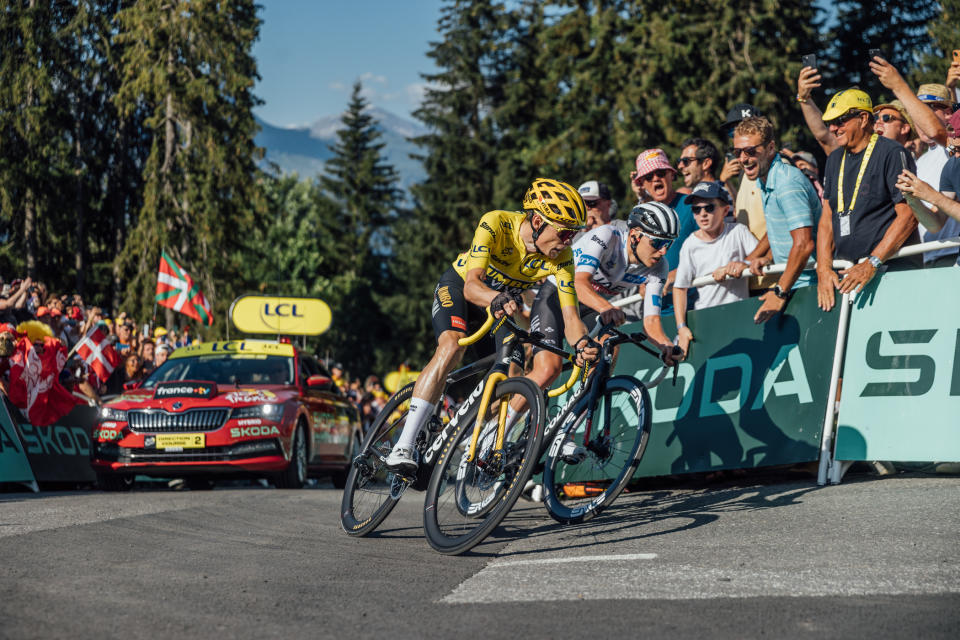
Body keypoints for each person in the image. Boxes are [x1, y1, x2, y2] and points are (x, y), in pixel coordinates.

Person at [384, 178, 600, 474]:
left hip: (499, 305)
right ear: (537, 220)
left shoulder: (563, 258)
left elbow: (572, 318)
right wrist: (496, 297)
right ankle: (402, 446)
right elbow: (473, 286)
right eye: (564, 232)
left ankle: (481, 438)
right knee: (451, 346)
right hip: (462, 290)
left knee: (512, 369)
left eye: (574, 234)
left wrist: (583, 344)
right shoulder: (496, 223)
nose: (568, 241)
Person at [527, 201, 681, 392]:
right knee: (549, 370)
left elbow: (651, 323)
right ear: (634, 235)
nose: (664, 251)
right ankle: (501, 420)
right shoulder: (607, 236)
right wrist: (607, 308)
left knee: (609, 345)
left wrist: (666, 346)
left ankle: (582, 412)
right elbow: (579, 282)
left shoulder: (660, 267)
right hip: (556, 298)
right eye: (657, 243)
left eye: (668, 243)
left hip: (589, 307)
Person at [815, 88, 921, 312]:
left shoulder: (891, 152)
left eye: (840, 121)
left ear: (863, 119)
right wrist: (823, 268)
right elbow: (826, 220)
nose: (833, 128)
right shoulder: (835, 159)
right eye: (831, 123)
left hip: (890, 271)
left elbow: (909, 216)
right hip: (850, 274)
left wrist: (872, 262)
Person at [733, 116, 820, 323]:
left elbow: (804, 244)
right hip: (794, 285)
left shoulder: (786, 181)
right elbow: (780, 230)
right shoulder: (765, 179)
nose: (743, 158)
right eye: (738, 152)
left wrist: (779, 292)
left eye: (751, 151)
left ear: (771, 148)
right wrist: (767, 257)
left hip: (807, 286)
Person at [677, 137, 737, 202]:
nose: (680, 166)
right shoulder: (691, 196)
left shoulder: (722, 193)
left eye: (686, 160)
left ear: (706, 163)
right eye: (679, 161)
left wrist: (724, 180)